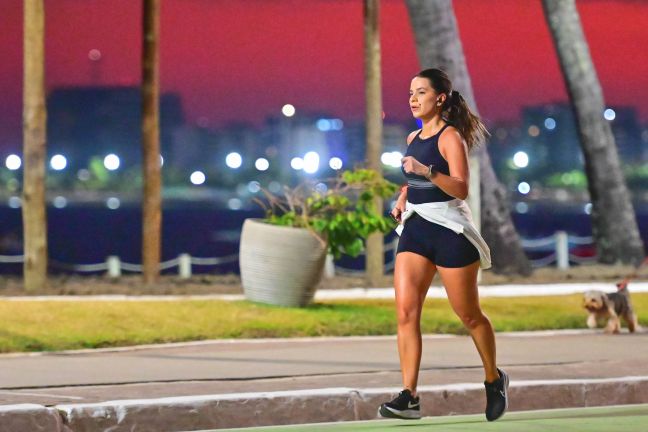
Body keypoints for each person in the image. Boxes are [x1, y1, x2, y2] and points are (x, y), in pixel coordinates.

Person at [378, 68, 509, 422]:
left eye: (421, 92)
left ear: (440, 98)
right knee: (406, 312)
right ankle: (409, 396)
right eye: (410, 93)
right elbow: (413, 180)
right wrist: (403, 195)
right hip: (418, 228)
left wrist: (426, 172)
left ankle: (494, 379)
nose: (413, 99)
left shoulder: (451, 138)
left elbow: (460, 187)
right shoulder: (412, 136)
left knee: (468, 315)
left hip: (450, 229)